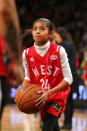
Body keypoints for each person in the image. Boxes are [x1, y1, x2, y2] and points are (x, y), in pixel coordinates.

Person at [22, 18, 73, 131]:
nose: (38, 31)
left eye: (42, 28)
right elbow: (28, 77)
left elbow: (69, 79)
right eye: (35, 29)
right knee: (53, 126)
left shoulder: (60, 51)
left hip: (57, 95)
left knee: (47, 127)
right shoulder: (26, 53)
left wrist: (49, 92)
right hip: (40, 97)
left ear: (51, 34)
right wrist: (23, 90)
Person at [54, 27, 79, 130]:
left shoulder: (65, 45)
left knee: (67, 102)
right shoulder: (66, 44)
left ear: (61, 35)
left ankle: (67, 123)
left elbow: (62, 62)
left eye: (56, 36)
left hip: (69, 75)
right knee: (68, 101)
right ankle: (67, 123)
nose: (55, 39)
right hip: (71, 75)